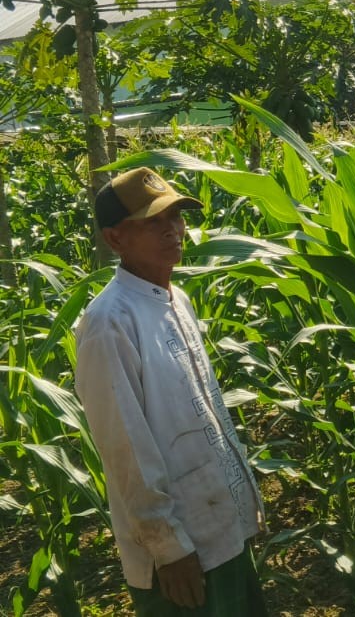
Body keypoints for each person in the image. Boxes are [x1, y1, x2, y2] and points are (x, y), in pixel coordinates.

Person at [75, 167, 268, 616]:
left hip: (221, 528)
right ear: (115, 239)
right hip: (181, 553)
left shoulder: (176, 300)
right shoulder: (110, 323)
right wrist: (168, 547)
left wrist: (245, 503)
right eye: (153, 221)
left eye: (176, 216)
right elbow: (125, 449)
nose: (173, 229)